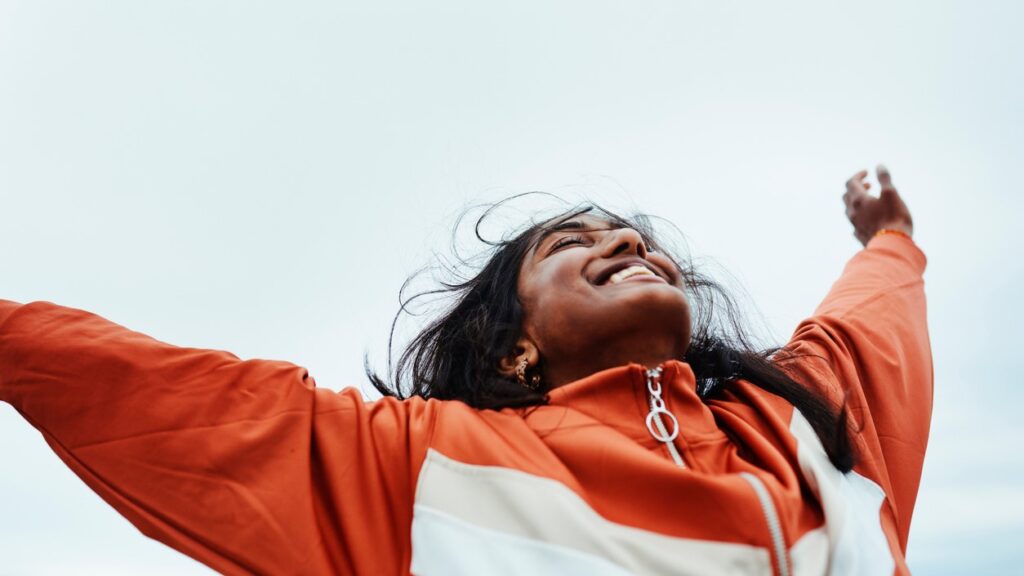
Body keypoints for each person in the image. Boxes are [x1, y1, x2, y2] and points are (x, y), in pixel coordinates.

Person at [0, 165, 930, 575]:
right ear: (510, 346)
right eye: (571, 244)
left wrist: (889, 234)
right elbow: (161, 394)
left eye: (632, 236)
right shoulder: (420, 470)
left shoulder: (804, 429)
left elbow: (869, 325)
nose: (624, 240)